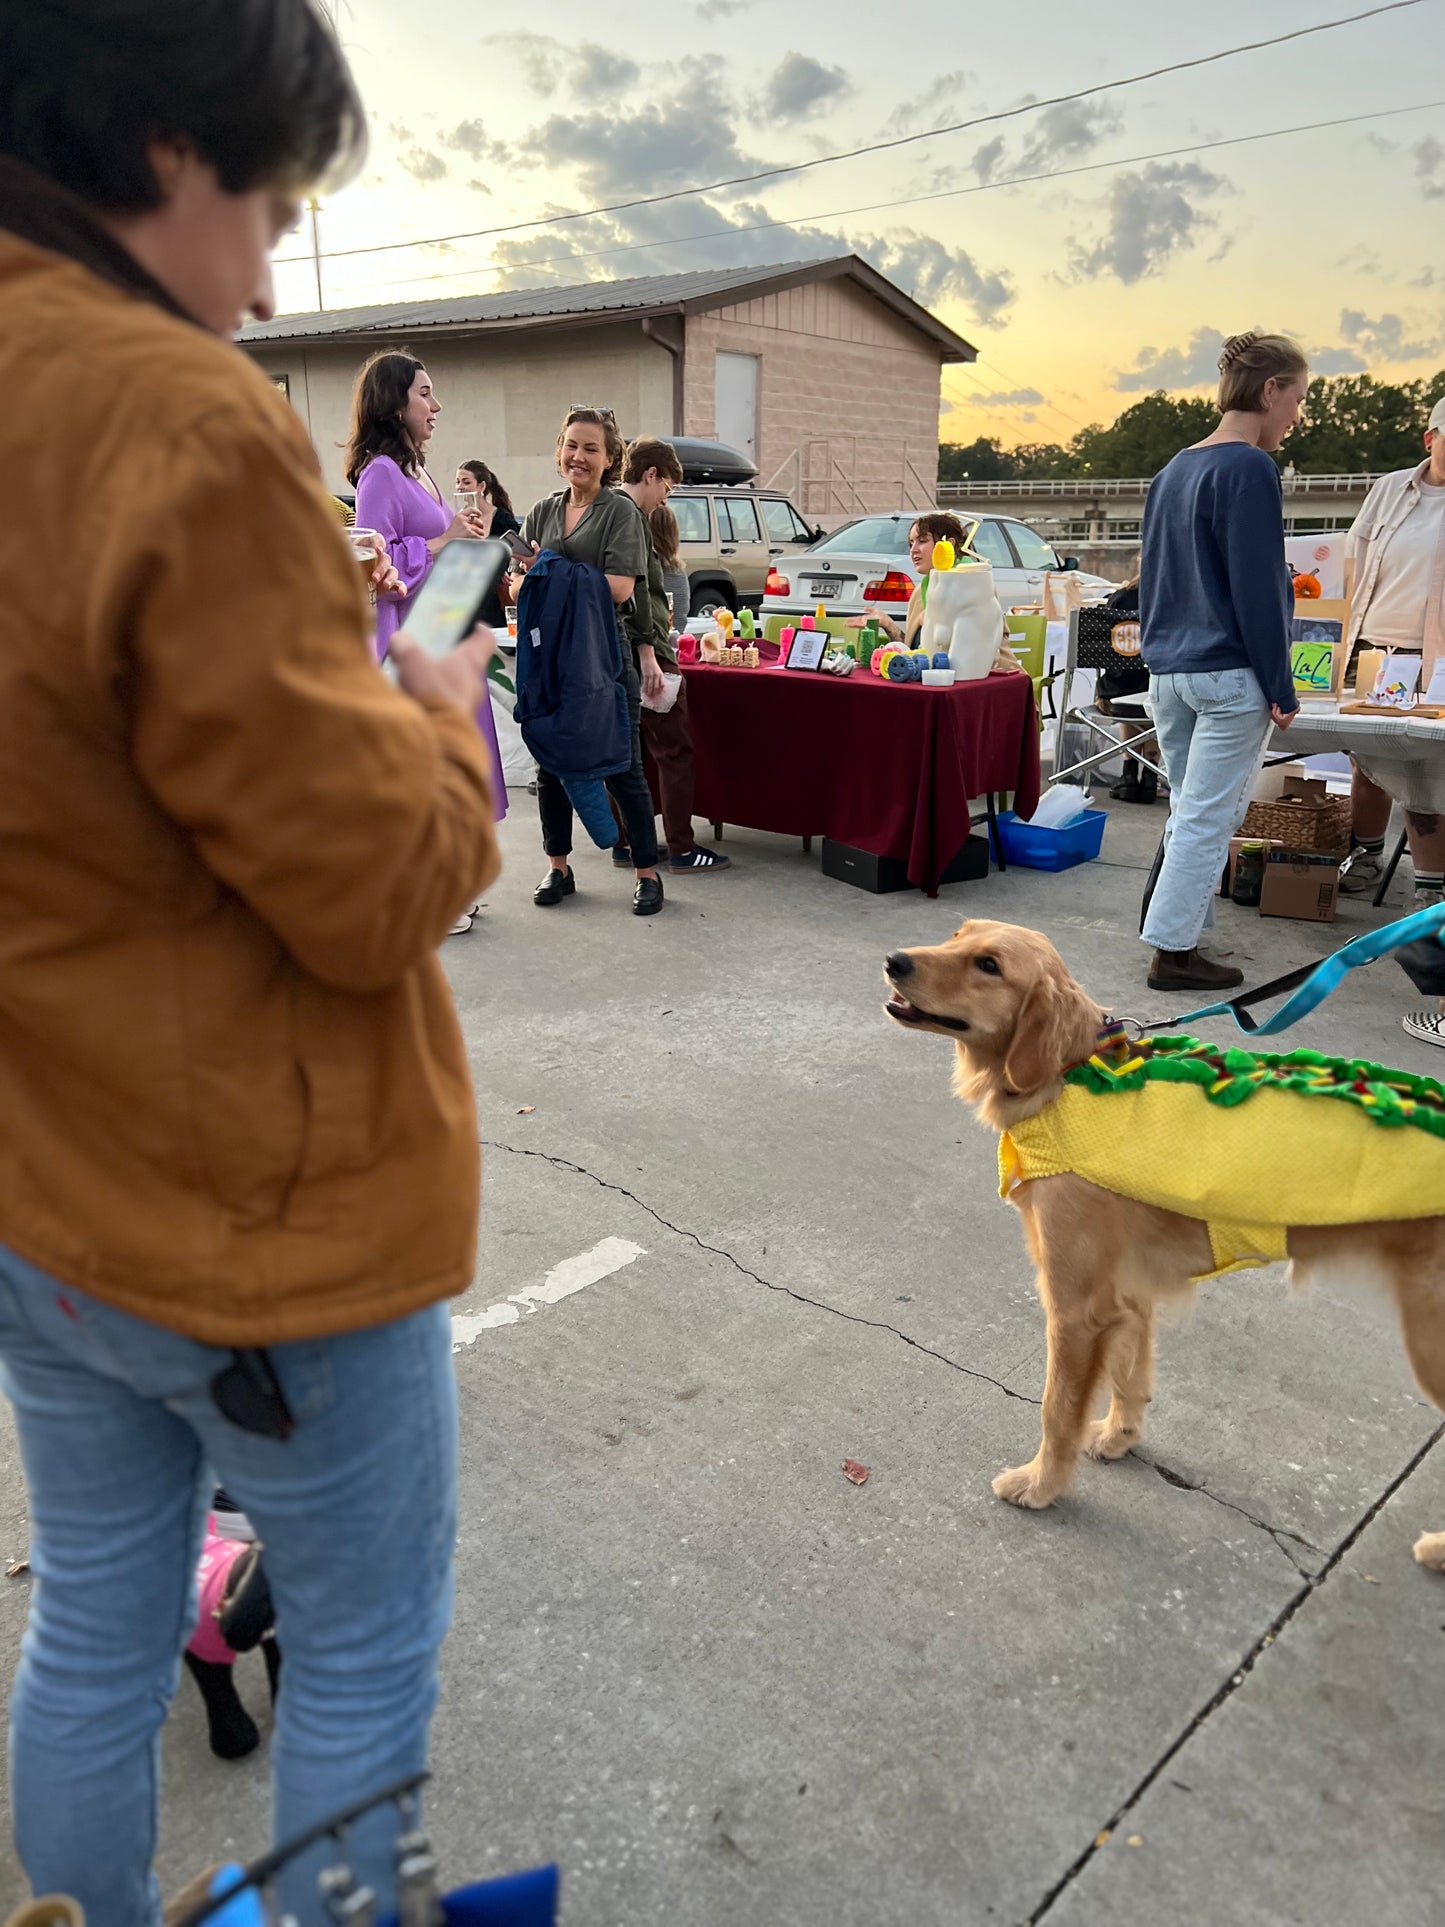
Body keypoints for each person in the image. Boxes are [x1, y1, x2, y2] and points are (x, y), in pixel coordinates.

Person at [0, 6, 502, 1923]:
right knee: (367, 1648)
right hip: (261, 1227)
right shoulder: (175, 411)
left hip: (48, 1189)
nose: (276, 259)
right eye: (275, 198)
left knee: (97, 1632)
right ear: (162, 148)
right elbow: (375, 888)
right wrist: (440, 716)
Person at [1138, 331, 1305, 993]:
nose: (1296, 414)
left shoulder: (1171, 470)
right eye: (1296, 397)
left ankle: (1173, 929)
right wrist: (1280, 685)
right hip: (1228, 671)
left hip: (1170, 670)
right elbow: (1259, 587)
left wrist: (1157, 654)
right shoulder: (1249, 469)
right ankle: (1172, 951)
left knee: (1189, 810)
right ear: (1269, 389)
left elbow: (1152, 580)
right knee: (1208, 816)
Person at [348, 353, 507, 932]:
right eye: (424, 394)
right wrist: (441, 543)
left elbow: (442, 550)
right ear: (394, 403)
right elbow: (372, 568)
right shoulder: (379, 475)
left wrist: (465, 540)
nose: (435, 407)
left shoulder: (422, 472)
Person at [519, 408, 666, 915]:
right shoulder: (541, 511)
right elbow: (517, 585)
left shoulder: (619, 512)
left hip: (604, 659)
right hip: (549, 661)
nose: (578, 457)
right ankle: (558, 867)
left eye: (591, 449)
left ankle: (647, 874)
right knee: (550, 767)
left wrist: (548, 574)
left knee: (623, 767)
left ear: (609, 459)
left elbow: (622, 589)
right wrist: (532, 579)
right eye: (572, 445)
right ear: (560, 449)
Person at [1337, 396, 1445, 997]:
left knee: (1427, 773)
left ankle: (1430, 893)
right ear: (1430, 438)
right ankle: (1366, 856)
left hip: (1437, 658)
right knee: (1366, 758)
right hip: (1375, 646)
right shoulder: (1386, 490)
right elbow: (1354, 559)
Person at [612, 441, 730, 874]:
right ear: (651, 474)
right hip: (649, 655)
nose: (667, 498)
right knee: (674, 753)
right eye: (668, 487)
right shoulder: (632, 519)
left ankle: (624, 842)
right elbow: (639, 594)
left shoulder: (604, 511)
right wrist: (649, 656)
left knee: (626, 754)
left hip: (615, 653)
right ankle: (682, 847)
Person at [456, 458, 521, 632]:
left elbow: (516, 558)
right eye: (457, 482)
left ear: (481, 487)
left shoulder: (502, 519)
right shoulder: (459, 520)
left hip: (496, 602)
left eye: (466, 481)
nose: (459, 487)